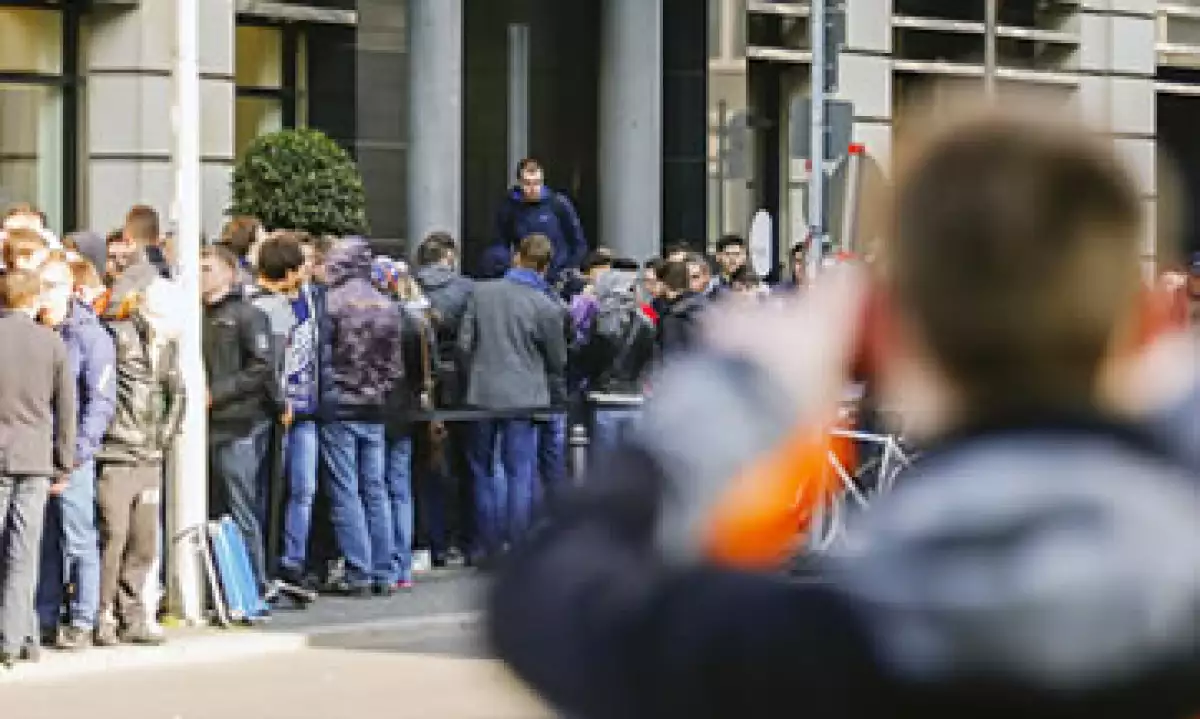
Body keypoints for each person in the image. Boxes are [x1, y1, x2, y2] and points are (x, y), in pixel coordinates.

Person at [488, 113, 1200, 718]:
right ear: (1146, 326)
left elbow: (551, 591)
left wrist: (742, 387)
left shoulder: (819, 641)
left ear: (880, 333)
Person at [458, 234, 568, 564]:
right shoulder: (545, 305)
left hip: (482, 393)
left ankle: (489, 546)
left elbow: (464, 345)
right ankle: (518, 547)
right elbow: (557, 359)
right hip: (527, 395)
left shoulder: (481, 292)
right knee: (521, 471)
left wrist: (475, 372)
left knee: (486, 470)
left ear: (514, 256)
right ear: (546, 266)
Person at [92, 262, 184, 646]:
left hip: (148, 453)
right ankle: (101, 613)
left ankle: (132, 613)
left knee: (144, 539)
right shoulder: (117, 337)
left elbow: (178, 393)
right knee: (114, 535)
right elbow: (100, 391)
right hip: (116, 450)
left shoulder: (167, 348)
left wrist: (163, 437)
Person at [34, 254, 117, 651]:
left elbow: (99, 403)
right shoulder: (38, 329)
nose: (45, 294)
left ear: (70, 288)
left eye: (52, 286)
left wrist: (77, 453)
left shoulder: (90, 335)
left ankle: (83, 617)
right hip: (38, 451)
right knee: (44, 538)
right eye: (41, 286)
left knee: (78, 536)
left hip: (73, 456)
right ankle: (44, 615)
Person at [318, 238, 405, 596]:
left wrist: (329, 396)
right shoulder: (387, 304)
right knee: (377, 490)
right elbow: (395, 366)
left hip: (341, 405)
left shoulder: (331, 303)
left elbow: (322, 359)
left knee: (346, 492)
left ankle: (360, 571)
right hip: (376, 406)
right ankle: (385, 570)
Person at [0, 270, 75, 668]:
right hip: (34, 458)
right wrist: (64, 463)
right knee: (24, 551)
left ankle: (17, 635)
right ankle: (17, 638)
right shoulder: (51, 344)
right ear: (32, 300)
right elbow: (66, 410)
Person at [202, 245, 280, 596]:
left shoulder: (248, 316)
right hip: (203, 429)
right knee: (212, 508)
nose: (201, 275)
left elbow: (261, 367)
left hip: (236, 426)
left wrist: (218, 393)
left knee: (241, 507)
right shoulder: (195, 315)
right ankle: (218, 585)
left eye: (208, 268)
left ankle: (253, 583)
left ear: (229, 274)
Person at [413, 232, 475, 566]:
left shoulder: (409, 287)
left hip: (419, 382)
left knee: (421, 465)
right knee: (459, 462)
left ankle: (424, 538)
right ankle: (454, 539)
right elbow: (468, 342)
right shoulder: (466, 289)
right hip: (459, 383)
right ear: (449, 256)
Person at [575, 268, 656, 455]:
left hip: (604, 398)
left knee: (604, 465)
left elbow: (588, 361)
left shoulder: (599, 322)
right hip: (635, 397)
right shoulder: (646, 322)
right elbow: (649, 359)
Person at [493, 158, 588, 283]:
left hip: (557, 275)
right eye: (527, 183)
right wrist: (508, 266)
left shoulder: (558, 204)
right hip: (524, 275)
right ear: (519, 183)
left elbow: (578, 242)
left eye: (537, 183)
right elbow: (501, 242)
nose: (533, 188)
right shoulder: (511, 207)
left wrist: (568, 269)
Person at [657, 260, 706, 356]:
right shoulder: (700, 303)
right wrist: (641, 305)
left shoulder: (677, 315)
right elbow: (655, 317)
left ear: (664, 283)